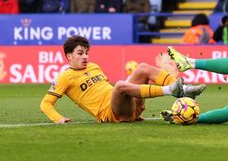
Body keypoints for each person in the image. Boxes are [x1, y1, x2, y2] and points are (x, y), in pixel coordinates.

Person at [40, 35, 205, 124]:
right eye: (80, 53)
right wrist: (58, 119)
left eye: (86, 52)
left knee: (142, 68)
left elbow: (107, 90)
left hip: (127, 107)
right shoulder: (64, 77)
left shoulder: (93, 66)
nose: (85, 57)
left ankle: (184, 89)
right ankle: (171, 91)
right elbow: (45, 104)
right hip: (112, 115)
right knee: (120, 86)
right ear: (69, 56)